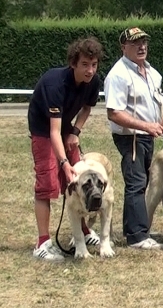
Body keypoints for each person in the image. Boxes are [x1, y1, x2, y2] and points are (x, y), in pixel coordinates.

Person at [28, 36, 104, 261]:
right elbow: (53, 132)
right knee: (48, 184)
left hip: (65, 126)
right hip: (44, 128)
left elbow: (87, 109)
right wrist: (63, 163)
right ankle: (42, 243)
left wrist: (75, 132)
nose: (90, 71)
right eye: (85, 65)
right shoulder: (55, 84)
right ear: (73, 63)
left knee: (76, 180)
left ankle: (81, 230)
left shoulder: (94, 82)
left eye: (94, 65)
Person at [104, 27, 163, 250]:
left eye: (144, 42)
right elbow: (114, 112)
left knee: (142, 182)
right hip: (131, 138)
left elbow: (159, 107)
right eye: (135, 43)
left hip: (148, 135)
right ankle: (137, 236)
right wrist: (145, 126)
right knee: (136, 182)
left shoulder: (152, 73)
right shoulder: (118, 75)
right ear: (123, 47)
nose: (142, 46)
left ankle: (135, 227)